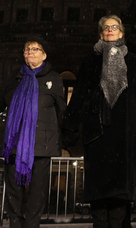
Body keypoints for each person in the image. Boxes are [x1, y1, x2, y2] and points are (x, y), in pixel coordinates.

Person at [63, 15, 136, 228]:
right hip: (97, 131)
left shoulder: (132, 60)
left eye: (114, 27)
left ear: (121, 33)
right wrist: (70, 126)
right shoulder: (90, 60)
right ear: (100, 33)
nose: (110, 30)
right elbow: (79, 93)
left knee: (120, 190)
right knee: (98, 189)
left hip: (124, 131)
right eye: (106, 27)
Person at [0, 37, 66, 228]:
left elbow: (62, 111)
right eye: (27, 49)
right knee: (14, 192)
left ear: (44, 55)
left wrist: (67, 136)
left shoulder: (53, 78)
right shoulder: (14, 77)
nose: (30, 52)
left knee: (37, 193)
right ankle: (15, 224)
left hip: (42, 145)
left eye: (35, 49)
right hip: (14, 145)